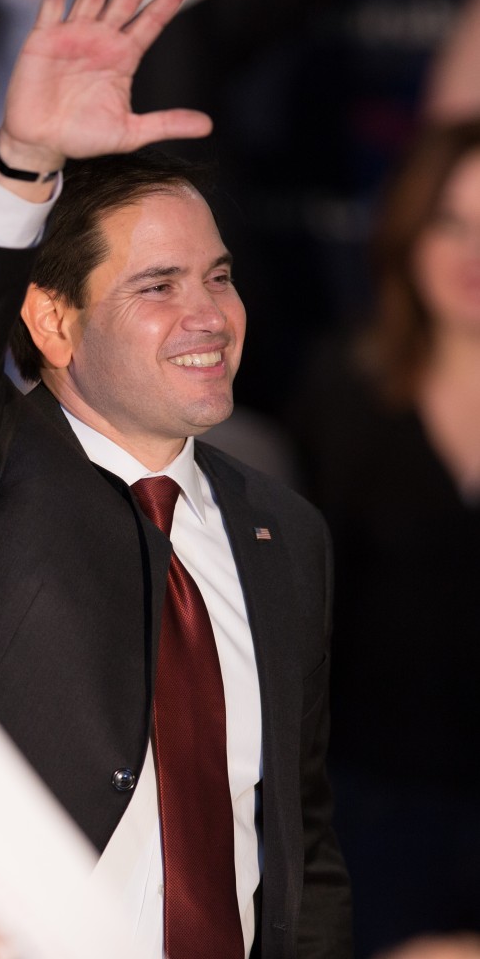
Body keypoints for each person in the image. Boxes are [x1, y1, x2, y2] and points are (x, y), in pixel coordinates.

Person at [0, 0, 352, 956]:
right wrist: (24, 158)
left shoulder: (282, 533)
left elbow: (298, 840)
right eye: (156, 286)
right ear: (51, 319)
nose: (208, 315)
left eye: (216, 276)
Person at [288, 119, 480, 956]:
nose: (472, 253)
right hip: (369, 815)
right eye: (450, 222)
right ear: (409, 231)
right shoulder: (342, 390)